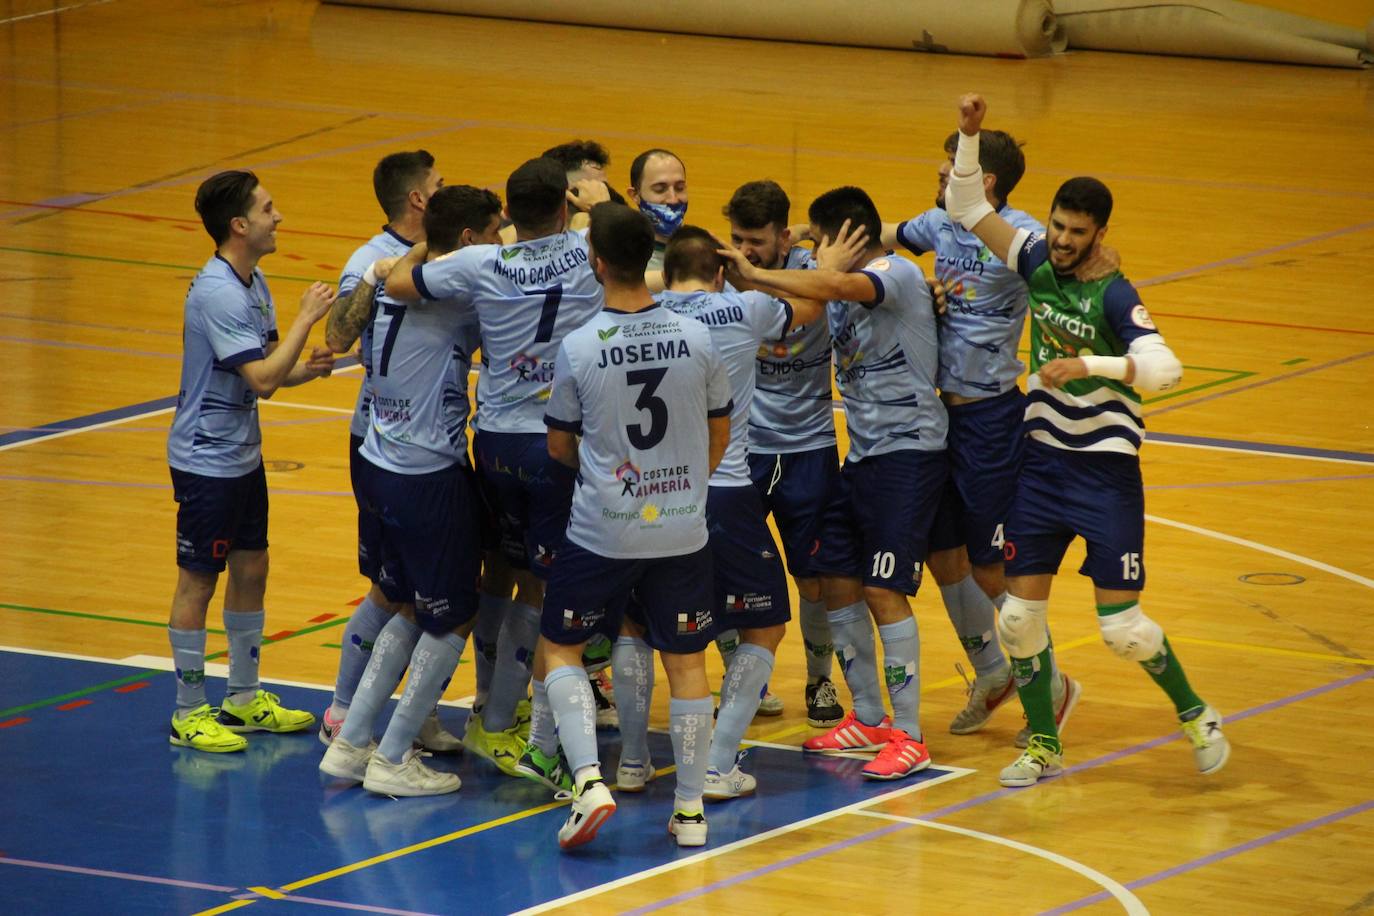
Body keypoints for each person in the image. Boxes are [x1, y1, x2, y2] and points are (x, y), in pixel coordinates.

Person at [943, 92, 1229, 786]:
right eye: (1057, 226)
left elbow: (1166, 368)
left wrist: (1091, 364)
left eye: (1077, 232)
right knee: (1017, 620)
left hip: (1104, 475)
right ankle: (1043, 742)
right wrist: (970, 135)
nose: (1064, 241)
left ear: (1099, 233)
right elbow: (968, 211)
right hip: (1040, 468)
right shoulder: (1036, 260)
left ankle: (1196, 713)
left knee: (1122, 630)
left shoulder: (1115, 294)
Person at [380, 157, 610, 777]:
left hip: (497, 442)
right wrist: (596, 200)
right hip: (556, 442)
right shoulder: (591, 246)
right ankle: (504, 721)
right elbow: (630, 233)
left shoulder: (481, 260)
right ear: (563, 209)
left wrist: (398, 256)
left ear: (507, 214)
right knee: (543, 583)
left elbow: (400, 284)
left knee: (498, 568)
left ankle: (486, 699)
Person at [720, 188, 946, 781]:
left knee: (882, 590)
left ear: (846, 238)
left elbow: (839, 287)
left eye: (822, 238)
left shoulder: (891, 272)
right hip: (866, 454)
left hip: (910, 452)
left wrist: (785, 265)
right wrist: (799, 238)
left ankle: (911, 734)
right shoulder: (835, 269)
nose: (813, 250)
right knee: (839, 576)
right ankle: (868, 717)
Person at [882, 132, 1093, 748]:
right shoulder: (940, 224)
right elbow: (890, 235)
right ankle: (994, 672)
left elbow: (1066, 280)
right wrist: (824, 236)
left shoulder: (1021, 237)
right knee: (942, 552)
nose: (938, 175)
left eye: (947, 168)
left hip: (991, 420)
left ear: (983, 181)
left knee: (993, 569)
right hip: (935, 419)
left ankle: (1051, 685)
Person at [540, 202, 733, 849]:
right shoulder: (698, 337)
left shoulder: (578, 347)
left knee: (561, 649)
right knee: (687, 662)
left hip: (605, 527)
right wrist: (684, 486)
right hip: (683, 527)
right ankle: (689, 814)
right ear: (650, 255)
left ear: (596, 261)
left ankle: (590, 781)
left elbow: (561, 448)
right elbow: (719, 430)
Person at [616, 224, 827, 800]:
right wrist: (751, 276)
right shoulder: (746, 308)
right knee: (765, 623)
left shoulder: (641, 312)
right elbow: (814, 303)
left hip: (649, 494)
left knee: (637, 623)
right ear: (718, 271)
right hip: (724, 489)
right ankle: (718, 761)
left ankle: (633, 761)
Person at [317, 184, 503, 796]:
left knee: (401, 598)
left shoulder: (395, 278)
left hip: (377, 458)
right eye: (494, 232)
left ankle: (350, 744)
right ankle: (394, 756)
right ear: (470, 243)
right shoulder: (456, 293)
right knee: (454, 613)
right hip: (427, 473)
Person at [166, 169, 335, 753]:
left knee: (252, 567)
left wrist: (306, 366)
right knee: (198, 580)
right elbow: (262, 379)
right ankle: (188, 711)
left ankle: (241, 699)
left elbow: (268, 363)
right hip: (205, 459)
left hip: (241, 456)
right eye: (268, 209)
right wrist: (305, 320)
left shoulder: (253, 279)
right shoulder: (217, 291)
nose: (278, 216)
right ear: (239, 225)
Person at [317, 149, 462, 755]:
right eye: (440, 183)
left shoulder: (446, 257)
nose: (446, 187)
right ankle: (343, 712)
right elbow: (336, 337)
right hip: (382, 443)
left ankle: (412, 709)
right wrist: (376, 280)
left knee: (421, 589)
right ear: (419, 200)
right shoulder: (367, 259)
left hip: (426, 442)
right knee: (393, 588)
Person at [726, 179, 844, 728]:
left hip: (808, 447)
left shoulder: (814, 271)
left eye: (755, 240)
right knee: (726, 565)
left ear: (784, 236)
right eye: (737, 240)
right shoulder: (721, 276)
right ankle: (743, 674)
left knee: (813, 576)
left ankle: (820, 680)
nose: (745, 251)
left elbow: (839, 288)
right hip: (742, 448)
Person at [625, 148, 688, 271]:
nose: (673, 199)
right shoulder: (622, 257)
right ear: (635, 195)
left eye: (679, 188)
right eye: (660, 189)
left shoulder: (703, 249)